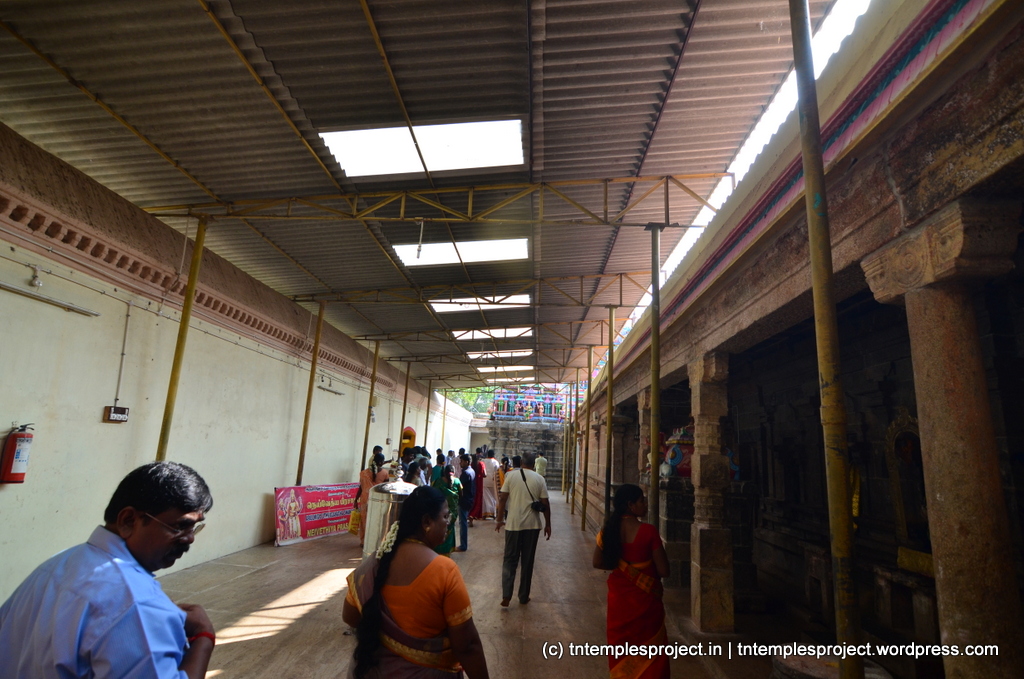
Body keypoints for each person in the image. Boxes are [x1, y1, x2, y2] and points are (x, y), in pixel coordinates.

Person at [0, 461, 215, 679]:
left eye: (194, 527)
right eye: (180, 526)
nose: (189, 538)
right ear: (128, 520)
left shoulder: (55, 566)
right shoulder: (137, 604)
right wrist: (203, 638)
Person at [343, 486, 490, 678]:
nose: (448, 522)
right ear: (427, 522)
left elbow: (349, 616)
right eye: (445, 516)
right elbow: (467, 646)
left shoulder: (376, 563)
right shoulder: (444, 570)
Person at [592, 484, 670, 679]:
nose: (646, 504)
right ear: (630, 505)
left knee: (621, 649)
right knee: (652, 652)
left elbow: (597, 562)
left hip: (620, 600)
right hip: (646, 602)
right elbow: (664, 570)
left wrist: (623, 567)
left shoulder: (608, 530)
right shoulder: (648, 532)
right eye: (642, 501)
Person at [494, 452, 550, 606]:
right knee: (527, 561)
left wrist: (499, 519)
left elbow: (503, 498)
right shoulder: (539, 479)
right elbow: (545, 504)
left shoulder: (511, 476)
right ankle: (524, 596)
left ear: (521, 463)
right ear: (534, 464)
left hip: (513, 524)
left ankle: (507, 595)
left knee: (509, 559)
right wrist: (548, 524)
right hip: (532, 526)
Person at [359, 448, 390, 545]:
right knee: (375, 521)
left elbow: (361, 487)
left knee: (364, 520)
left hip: (364, 499)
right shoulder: (385, 473)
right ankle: (373, 541)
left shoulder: (363, 473)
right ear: (381, 462)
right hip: (377, 500)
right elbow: (386, 488)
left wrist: (356, 500)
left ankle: (363, 541)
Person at [432, 465, 461, 556]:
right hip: (453, 512)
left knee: (440, 528)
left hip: (441, 510)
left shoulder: (438, 482)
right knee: (450, 529)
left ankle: (438, 550)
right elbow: (461, 494)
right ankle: (447, 551)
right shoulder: (457, 481)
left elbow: (433, 495)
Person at [456, 454, 475, 552]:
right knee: (463, 521)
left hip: (464, 499)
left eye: (462, 461)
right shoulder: (471, 471)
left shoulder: (466, 473)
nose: (460, 463)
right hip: (469, 498)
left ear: (467, 462)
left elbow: (459, 486)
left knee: (463, 523)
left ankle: (463, 545)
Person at [480, 451, 500, 519]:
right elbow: (497, 472)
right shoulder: (496, 462)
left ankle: (484, 513)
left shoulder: (483, 461)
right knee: (493, 498)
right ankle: (493, 513)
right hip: (492, 482)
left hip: (484, 481)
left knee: (485, 499)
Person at [469, 452, 486, 523]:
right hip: (479, 483)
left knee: (473, 499)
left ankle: (471, 514)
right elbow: (485, 474)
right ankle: (473, 515)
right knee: (478, 500)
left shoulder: (472, 464)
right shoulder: (481, 464)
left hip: (473, 483)